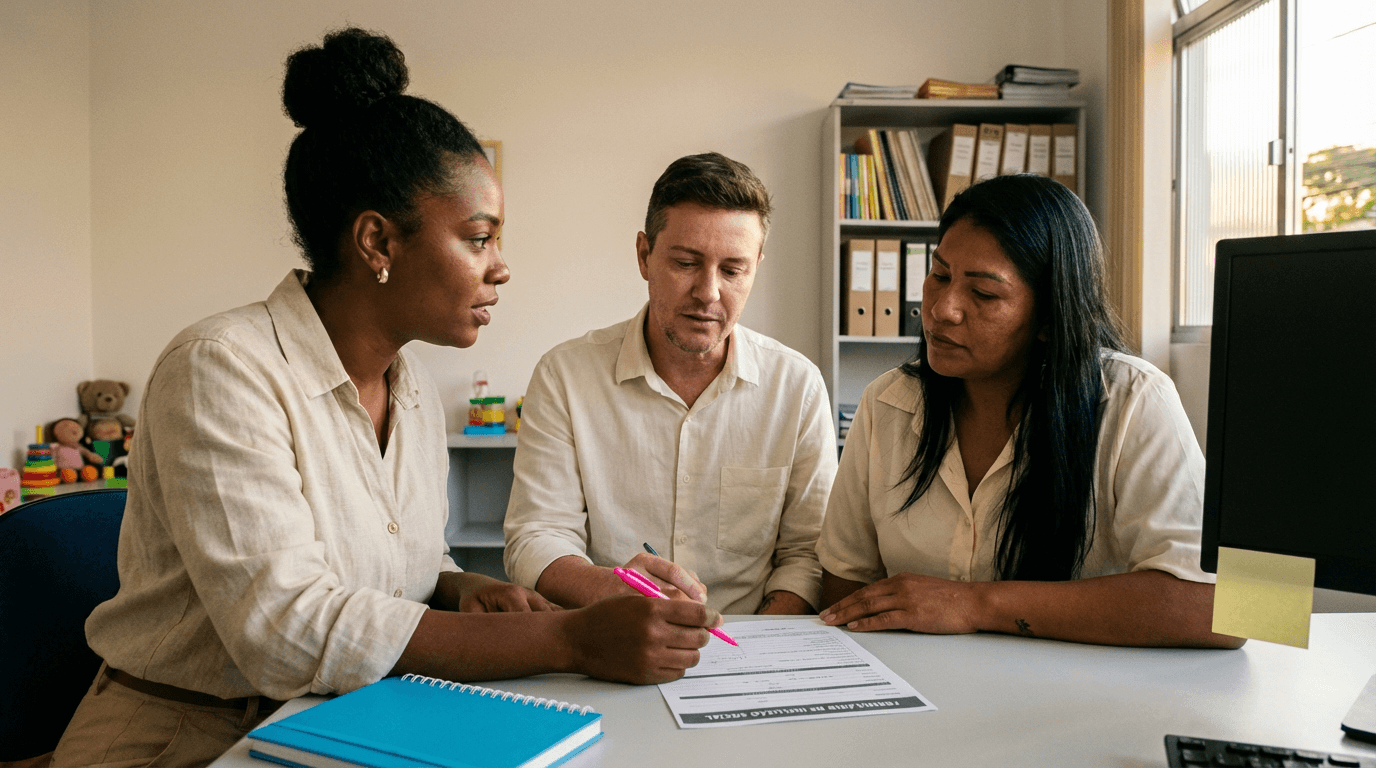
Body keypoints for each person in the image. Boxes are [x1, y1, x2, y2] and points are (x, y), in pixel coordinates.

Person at [52, 28, 721, 767]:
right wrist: (570, 638)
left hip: (347, 717)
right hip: (185, 735)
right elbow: (285, 631)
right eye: (479, 238)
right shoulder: (221, 369)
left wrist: (459, 587)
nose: (500, 268)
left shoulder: (413, 390)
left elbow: (406, 563)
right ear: (377, 242)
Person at [816, 174, 1244, 649]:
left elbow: (1223, 611)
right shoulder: (887, 402)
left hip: (1079, 687)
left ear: (1049, 316)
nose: (941, 309)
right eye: (939, 275)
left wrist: (975, 604)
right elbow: (845, 588)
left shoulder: (1132, 400)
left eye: (983, 294)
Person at [503, 153, 837, 616]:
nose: (708, 292)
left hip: (749, 637)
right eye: (685, 263)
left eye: (733, 271)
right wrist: (610, 592)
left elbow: (808, 554)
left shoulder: (797, 386)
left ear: (756, 266)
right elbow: (537, 535)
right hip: (610, 631)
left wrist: (759, 643)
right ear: (645, 255)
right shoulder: (566, 376)